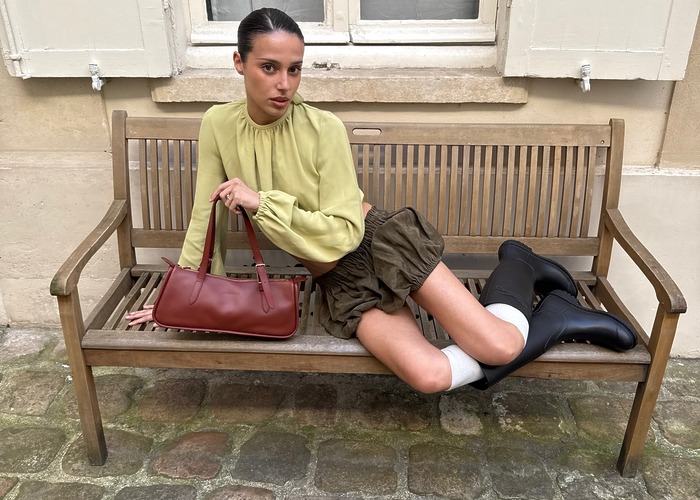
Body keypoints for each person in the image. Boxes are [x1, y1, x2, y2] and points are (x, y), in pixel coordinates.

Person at [126, 7, 637, 393]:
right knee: (430, 376)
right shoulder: (218, 124)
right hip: (339, 280)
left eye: (295, 69)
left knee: (500, 345)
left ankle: (521, 266)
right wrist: (180, 294)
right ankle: (555, 315)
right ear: (239, 63)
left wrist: (265, 205)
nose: (284, 84)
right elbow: (206, 214)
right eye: (269, 67)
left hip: (379, 244)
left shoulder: (323, 128)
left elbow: (344, 231)